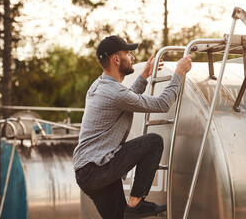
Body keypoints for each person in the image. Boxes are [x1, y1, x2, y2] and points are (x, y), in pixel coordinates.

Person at [73, 35, 192, 219]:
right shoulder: (114, 92)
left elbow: (126, 98)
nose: (132, 57)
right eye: (128, 53)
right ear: (116, 59)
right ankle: (136, 203)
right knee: (153, 142)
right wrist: (178, 74)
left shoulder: (99, 85)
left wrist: (144, 76)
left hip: (87, 172)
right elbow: (162, 104)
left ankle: (132, 207)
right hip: (98, 167)